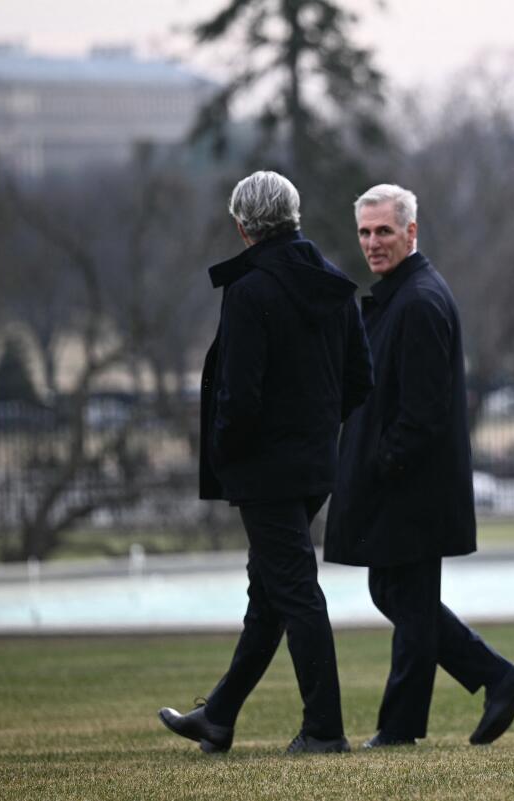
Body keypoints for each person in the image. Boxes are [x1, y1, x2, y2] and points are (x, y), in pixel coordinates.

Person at [159, 171, 374, 755]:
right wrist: (317, 427)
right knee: (272, 591)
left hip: (264, 468)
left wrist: (228, 451)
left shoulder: (251, 290)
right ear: (294, 215)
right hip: (311, 463)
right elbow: (361, 379)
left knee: (294, 590)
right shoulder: (333, 285)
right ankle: (219, 715)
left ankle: (325, 730)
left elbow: (240, 393)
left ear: (242, 225)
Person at [324, 184, 514, 749]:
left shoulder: (418, 301)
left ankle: (406, 726)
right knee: (396, 596)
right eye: (366, 232)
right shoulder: (404, 295)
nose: (373, 242)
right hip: (405, 483)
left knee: (406, 602)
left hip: (410, 486)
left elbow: (421, 412)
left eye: (384, 231)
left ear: (411, 232)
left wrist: (380, 464)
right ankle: (497, 677)